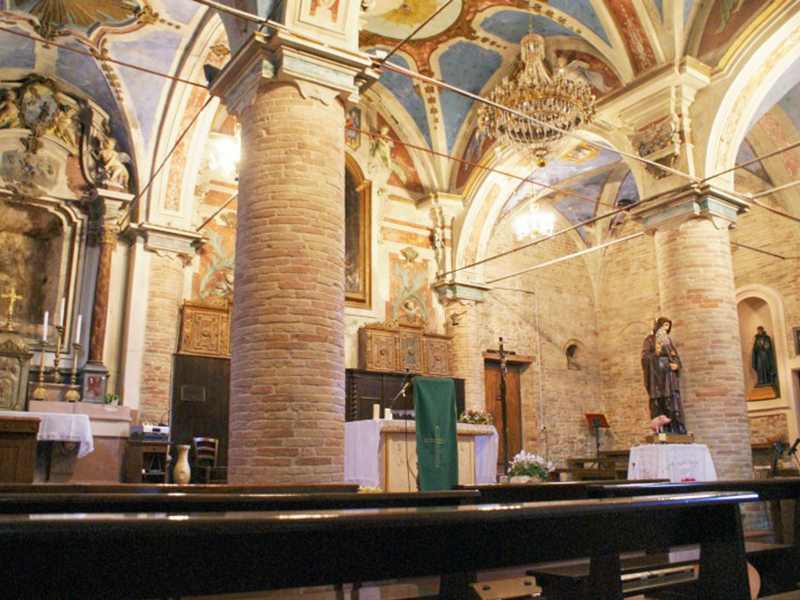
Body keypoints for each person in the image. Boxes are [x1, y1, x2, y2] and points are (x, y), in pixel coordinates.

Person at [641, 317, 686, 434]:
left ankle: (675, 429)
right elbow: (645, 358)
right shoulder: (649, 340)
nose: (666, 328)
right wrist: (656, 354)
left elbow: (674, 355)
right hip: (656, 377)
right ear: (659, 326)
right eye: (665, 325)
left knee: (672, 401)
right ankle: (662, 429)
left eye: (668, 326)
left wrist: (676, 364)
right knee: (659, 402)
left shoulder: (668, 341)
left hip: (669, 377)